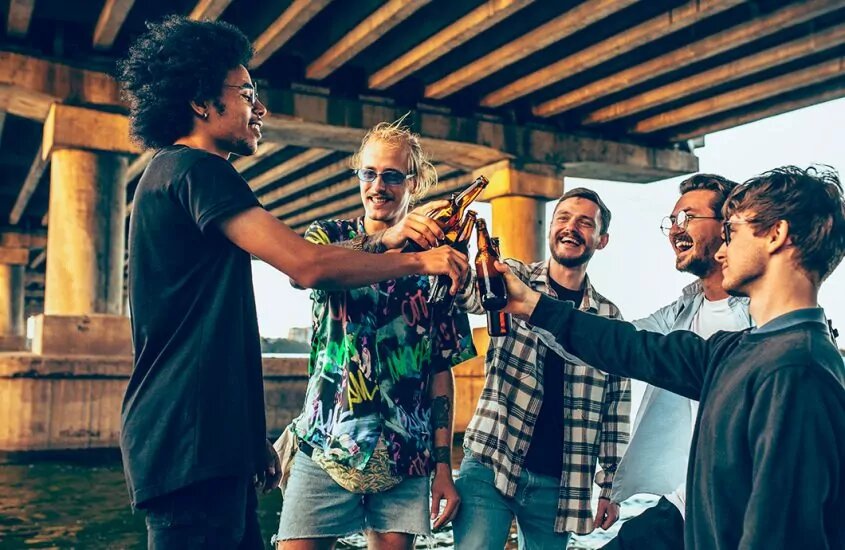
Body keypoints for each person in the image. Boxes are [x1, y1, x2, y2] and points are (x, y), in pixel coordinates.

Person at [118, 17, 468, 549]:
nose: (261, 110)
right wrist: (419, 261)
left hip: (212, 448)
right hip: (187, 445)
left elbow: (214, 331)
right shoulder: (196, 171)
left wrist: (250, 442)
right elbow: (306, 265)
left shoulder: (175, 174)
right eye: (247, 94)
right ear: (199, 102)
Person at [498, 166, 845, 550]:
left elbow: (781, 535)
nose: (723, 250)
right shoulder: (737, 349)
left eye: (733, 232)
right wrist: (532, 304)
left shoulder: (797, 372)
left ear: (776, 235)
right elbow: (632, 347)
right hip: (683, 518)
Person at [274, 121, 477, 549]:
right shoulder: (326, 238)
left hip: (406, 458)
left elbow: (441, 369)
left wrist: (444, 468)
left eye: (391, 175)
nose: (378, 186)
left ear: (414, 182)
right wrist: (386, 239)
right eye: (369, 173)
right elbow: (303, 271)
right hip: (325, 446)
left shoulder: (441, 261)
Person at [451, 188, 630, 549]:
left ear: (602, 239)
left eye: (585, 222)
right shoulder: (514, 277)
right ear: (550, 229)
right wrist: (455, 252)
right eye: (563, 218)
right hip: (491, 462)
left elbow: (616, 410)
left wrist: (611, 485)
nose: (571, 227)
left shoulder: (609, 318)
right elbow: (470, 293)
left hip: (560, 484)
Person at [601, 175, 753, 550]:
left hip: (744, 509)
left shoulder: (761, 313)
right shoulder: (681, 312)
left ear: (727, 227)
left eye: (687, 217)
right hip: (688, 503)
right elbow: (613, 341)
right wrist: (532, 307)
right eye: (671, 221)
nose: (675, 229)